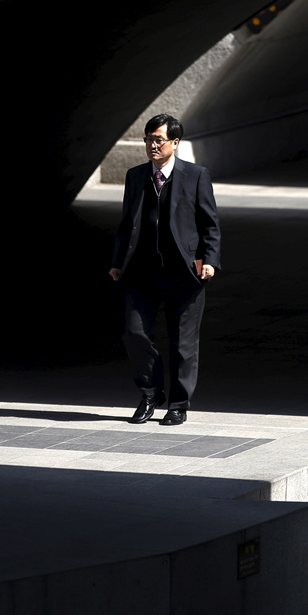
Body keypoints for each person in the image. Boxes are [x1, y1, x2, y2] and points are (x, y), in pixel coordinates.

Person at [109, 114, 220, 425]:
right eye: (148, 139)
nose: (152, 145)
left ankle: (178, 404)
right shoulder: (135, 176)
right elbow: (125, 225)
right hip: (142, 272)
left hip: (184, 272)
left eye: (158, 139)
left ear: (175, 143)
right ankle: (149, 393)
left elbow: (209, 224)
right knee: (135, 333)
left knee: (183, 343)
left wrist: (210, 260)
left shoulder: (196, 175)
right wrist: (117, 263)